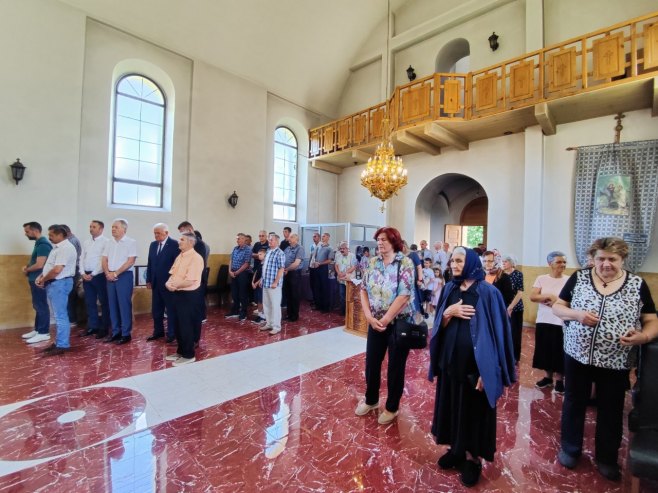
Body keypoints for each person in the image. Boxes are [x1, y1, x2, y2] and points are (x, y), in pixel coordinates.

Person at [553, 237, 658, 481]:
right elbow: (559, 307)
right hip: (577, 355)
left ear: (622, 260)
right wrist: (577, 315)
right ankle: (570, 449)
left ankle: (606, 457)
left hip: (616, 359)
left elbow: (651, 319)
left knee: (611, 408)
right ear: (593, 258)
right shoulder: (579, 278)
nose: (606, 264)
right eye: (601, 258)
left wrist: (643, 336)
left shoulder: (637, 284)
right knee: (573, 402)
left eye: (612, 259)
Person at [429, 247, 516, 487]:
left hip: (475, 368)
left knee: (473, 411)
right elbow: (439, 323)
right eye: (452, 260)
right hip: (450, 362)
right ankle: (456, 450)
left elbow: (500, 333)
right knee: (452, 404)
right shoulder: (450, 288)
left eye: (459, 260)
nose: (454, 264)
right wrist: (448, 312)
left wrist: (491, 370)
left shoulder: (488, 292)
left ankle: (472, 458)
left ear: (471, 263)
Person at [355, 227, 415, 425]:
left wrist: (386, 319)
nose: (380, 243)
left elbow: (404, 295)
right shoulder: (372, 263)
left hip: (398, 323)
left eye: (384, 240)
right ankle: (371, 400)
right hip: (375, 321)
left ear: (394, 241)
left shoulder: (405, 263)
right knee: (372, 363)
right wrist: (369, 316)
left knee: (395, 367)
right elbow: (363, 289)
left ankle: (391, 407)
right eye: (378, 239)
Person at [35, 224, 78, 355]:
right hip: (55, 283)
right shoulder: (57, 248)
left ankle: (62, 345)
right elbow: (50, 267)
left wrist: (43, 279)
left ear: (60, 235)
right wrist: (41, 276)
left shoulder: (65, 248)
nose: (49, 238)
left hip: (60, 283)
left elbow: (57, 269)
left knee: (60, 316)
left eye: (52, 235)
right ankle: (59, 342)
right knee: (58, 315)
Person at [529, 251, 568, 393]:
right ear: (550, 264)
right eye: (559, 262)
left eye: (564, 262)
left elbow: (571, 301)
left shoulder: (568, 280)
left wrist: (556, 302)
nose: (562, 265)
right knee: (545, 349)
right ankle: (547, 377)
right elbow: (533, 296)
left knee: (559, 350)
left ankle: (559, 380)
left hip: (561, 321)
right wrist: (549, 296)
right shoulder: (541, 278)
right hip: (544, 319)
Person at [164, 232, 205, 366]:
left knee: (186, 325)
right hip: (177, 293)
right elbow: (173, 273)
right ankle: (180, 351)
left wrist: (174, 285)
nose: (179, 242)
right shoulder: (180, 256)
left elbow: (190, 280)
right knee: (176, 323)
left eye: (182, 240)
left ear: (191, 242)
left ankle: (188, 355)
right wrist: (168, 283)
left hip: (188, 295)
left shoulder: (196, 258)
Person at [102, 219, 137, 344]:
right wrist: (107, 273)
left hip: (123, 276)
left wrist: (116, 273)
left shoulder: (130, 242)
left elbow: (130, 261)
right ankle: (115, 332)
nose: (113, 229)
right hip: (109, 275)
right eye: (112, 227)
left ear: (124, 229)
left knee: (124, 304)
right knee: (112, 305)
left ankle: (126, 333)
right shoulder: (109, 242)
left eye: (116, 227)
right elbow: (104, 259)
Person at [146, 223, 179, 343]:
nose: (156, 235)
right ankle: (158, 331)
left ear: (166, 233)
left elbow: (177, 265)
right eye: (155, 233)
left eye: (158, 233)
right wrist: (148, 279)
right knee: (156, 310)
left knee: (170, 310)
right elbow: (150, 263)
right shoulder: (153, 245)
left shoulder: (174, 244)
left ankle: (171, 333)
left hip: (168, 284)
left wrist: (173, 282)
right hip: (155, 283)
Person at [21, 222, 52, 344]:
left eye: (27, 231)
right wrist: (28, 268)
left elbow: (40, 264)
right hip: (34, 279)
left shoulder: (43, 244)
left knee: (41, 305)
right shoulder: (39, 243)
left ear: (35, 231)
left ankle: (44, 332)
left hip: (39, 280)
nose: (25, 234)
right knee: (37, 305)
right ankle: (38, 330)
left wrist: (27, 269)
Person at [79, 220, 110, 339]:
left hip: (99, 275)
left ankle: (104, 328)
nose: (91, 228)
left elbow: (102, 260)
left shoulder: (106, 242)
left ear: (101, 229)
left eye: (94, 227)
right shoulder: (86, 242)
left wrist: (93, 273)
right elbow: (82, 257)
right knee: (89, 302)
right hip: (86, 275)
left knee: (103, 302)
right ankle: (93, 326)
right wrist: (82, 272)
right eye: (90, 226)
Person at [178, 221, 209, 328]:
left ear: (190, 230)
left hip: (196, 280)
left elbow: (196, 264)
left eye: (183, 232)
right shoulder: (185, 244)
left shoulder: (199, 244)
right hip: (187, 280)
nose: (181, 235)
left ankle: (195, 338)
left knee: (196, 309)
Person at [261, 233, 285, 335]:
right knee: (266, 305)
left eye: (271, 240)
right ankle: (269, 323)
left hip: (274, 284)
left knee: (275, 305)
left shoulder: (280, 253)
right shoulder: (268, 251)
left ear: (277, 241)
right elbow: (265, 267)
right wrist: (262, 279)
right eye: (269, 240)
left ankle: (276, 326)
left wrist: (275, 282)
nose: (269, 241)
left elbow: (281, 269)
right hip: (266, 282)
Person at [502, 254, 524, 362]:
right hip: (503, 307)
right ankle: (505, 354)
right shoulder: (501, 274)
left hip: (516, 308)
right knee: (504, 332)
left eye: (505, 261)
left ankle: (515, 356)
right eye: (503, 261)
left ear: (511, 263)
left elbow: (520, 293)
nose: (503, 263)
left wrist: (510, 307)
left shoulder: (518, 274)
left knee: (515, 333)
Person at [225, 233, 252, 321]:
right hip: (233, 273)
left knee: (242, 294)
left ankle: (243, 312)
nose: (237, 240)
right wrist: (230, 271)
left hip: (242, 274)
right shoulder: (235, 248)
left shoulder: (248, 249)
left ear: (244, 239)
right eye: (237, 239)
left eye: (239, 239)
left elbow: (246, 263)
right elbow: (231, 260)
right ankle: (235, 310)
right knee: (234, 293)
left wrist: (237, 272)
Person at [61, 224, 82, 327]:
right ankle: (71, 318)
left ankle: (72, 319)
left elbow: (69, 258)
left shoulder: (72, 241)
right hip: (72, 270)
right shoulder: (70, 240)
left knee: (71, 295)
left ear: (66, 232)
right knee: (70, 295)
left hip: (73, 270)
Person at [282, 233, 304, 322]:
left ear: (296, 239)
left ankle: (294, 316)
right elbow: (283, 259)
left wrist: (286, 269)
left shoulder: (300, 248)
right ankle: (289, 314)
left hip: (294, 274)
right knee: (288, 295)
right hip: (286, 273)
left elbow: (296, 263)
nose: (289, 239)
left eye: (291, 237)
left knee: (294, 295)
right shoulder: (287, 248)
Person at [311, 232, 333, 312]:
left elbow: (330, 260)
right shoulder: (319, 246)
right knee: (317, 287)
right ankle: (318, 305)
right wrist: (314, 262)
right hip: (316, 268)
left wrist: (320, 263)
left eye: (324, 236)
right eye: (322, 236)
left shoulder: (330, 248)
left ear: (328, 238)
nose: (322, 238)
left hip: (324, 268)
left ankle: (325, 307)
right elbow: (314, 256)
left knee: (324, 288)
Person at [334, 241, 357, 317]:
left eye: (343, 248)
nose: (342, 250)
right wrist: (338, 273)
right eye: (341, 249)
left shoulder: (352, 256)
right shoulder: (338, 255)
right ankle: (343, 312)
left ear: (347, 249)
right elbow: (336, 265)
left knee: (350, 297)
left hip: (349, 280)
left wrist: (344, 273)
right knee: (341, 296)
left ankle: (350, 313)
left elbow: (354, 267)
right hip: (341, 279)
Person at [251, 248, 267, 324]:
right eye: (258, 254)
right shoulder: (259, 263)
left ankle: (263, 317)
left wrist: (257, 283)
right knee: (258, 301)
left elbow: (263, 276)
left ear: (265, 255)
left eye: (260, 254)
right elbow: (256, 272)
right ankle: (260, 315)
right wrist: (252, 281)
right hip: (256, 284)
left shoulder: (266, 264)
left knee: (262, 300)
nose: (259, 256)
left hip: (261, 285)